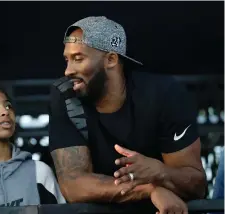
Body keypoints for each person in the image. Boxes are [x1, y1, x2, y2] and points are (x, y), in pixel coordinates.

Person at [48, 16, 207, 213]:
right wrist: (149, 188)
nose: (68, 70)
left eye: (78, 59)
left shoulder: (164, 95)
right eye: (67, 59)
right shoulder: (65, 96)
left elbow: (197, 185)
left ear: (111, 59)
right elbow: (73, 184)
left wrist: (159, 172)